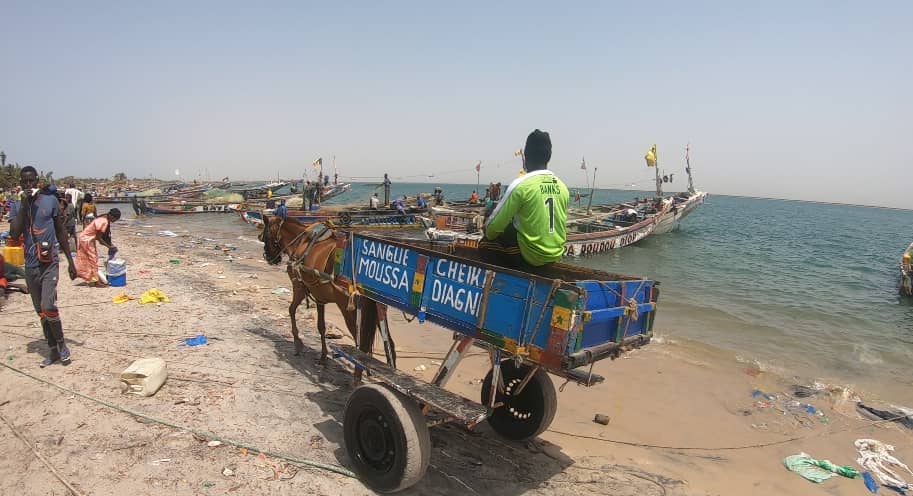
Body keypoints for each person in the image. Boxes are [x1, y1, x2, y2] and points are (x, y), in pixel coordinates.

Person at [9, 166, 77, 366]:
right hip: (30, 265)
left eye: (32, 181)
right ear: (21, 183)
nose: (29, 185)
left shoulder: (51, 201)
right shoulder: (17, 205)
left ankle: (63, 344)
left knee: (48, 306)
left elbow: (61, 232)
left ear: (37, 181)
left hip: (49, 263)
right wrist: (23, 205)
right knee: (40, 311)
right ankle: (53, 348)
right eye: (25, 182)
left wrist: (71, 262)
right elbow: (14, 234)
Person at [480, 129, 569, 269]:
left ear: (526, 156)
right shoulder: (562, 187)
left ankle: (503, 282)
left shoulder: (521, 185)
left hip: (530, 258)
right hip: (554, 256)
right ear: (549, 156)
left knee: (486, 242)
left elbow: (492, 230)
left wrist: (487, 225)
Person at [75, 208, 121, 286]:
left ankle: (92, 278)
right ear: (111, 216)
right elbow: (99, 238)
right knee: (93, 259)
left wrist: (110, 245)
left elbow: (104, 237)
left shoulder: (103, 218)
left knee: (89, 259)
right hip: (87, 239)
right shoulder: (104, 222)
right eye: (115, 219)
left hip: (85, 238)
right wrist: (109, 247)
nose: (114, 221)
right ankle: (96, 282)